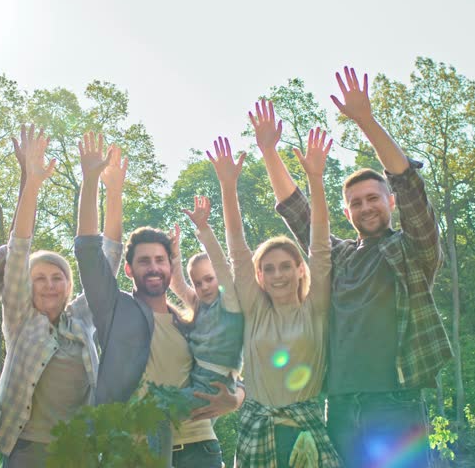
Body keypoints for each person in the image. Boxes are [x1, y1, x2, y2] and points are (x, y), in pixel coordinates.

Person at [259, 66, 453, 467]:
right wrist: (269, 152)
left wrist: (365, 120)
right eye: (357, 202)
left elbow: (410, 186)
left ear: (390, 202)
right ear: (346, 212)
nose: (366, 207)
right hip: (342, 406)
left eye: (374, 198)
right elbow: (296, 213)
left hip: (396, 405)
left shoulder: (413, 250)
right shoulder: (339, 256)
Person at [74, 133, 243, 468]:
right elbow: (89, 252)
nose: (153, 267)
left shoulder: (189, 322)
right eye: (144, 261)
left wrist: (236, 399)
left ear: (171, 266)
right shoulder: (116, 310)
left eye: (160, 260)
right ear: (128, 269)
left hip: (200, 448)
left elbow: (230, 363)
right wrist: (96, 182)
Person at [0, 127, 128, 466]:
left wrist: (105, 186)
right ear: (27, 285)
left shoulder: (81, 319)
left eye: (58, 278)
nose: (50, 285)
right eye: (40, 279)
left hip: (78, 451)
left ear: (69, 287)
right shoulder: (20, 319)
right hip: (27, 450)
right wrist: (33, 182)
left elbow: (108, 256)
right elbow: (18, 248)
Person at [211, 131, 341, 468]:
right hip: (257, 434)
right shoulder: (254, 311)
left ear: (301, 270)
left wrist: (315, 177)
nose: (278, 274)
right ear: (259, 277)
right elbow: (238, 250)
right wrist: (228, 185)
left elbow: (321, 243)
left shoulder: (316, 308)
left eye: (286, 266)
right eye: (268, 269)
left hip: (306, 436)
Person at [166, 196, 245, 415]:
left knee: (160, 409)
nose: (204, 286)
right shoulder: (199, 304)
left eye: (209, 279)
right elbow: (178, 284)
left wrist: (203, 229)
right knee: (178, 417)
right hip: (197, 377)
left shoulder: (229, 304)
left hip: (215, 382)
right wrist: (174, 254)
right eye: (198, 283)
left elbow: (220, 263)